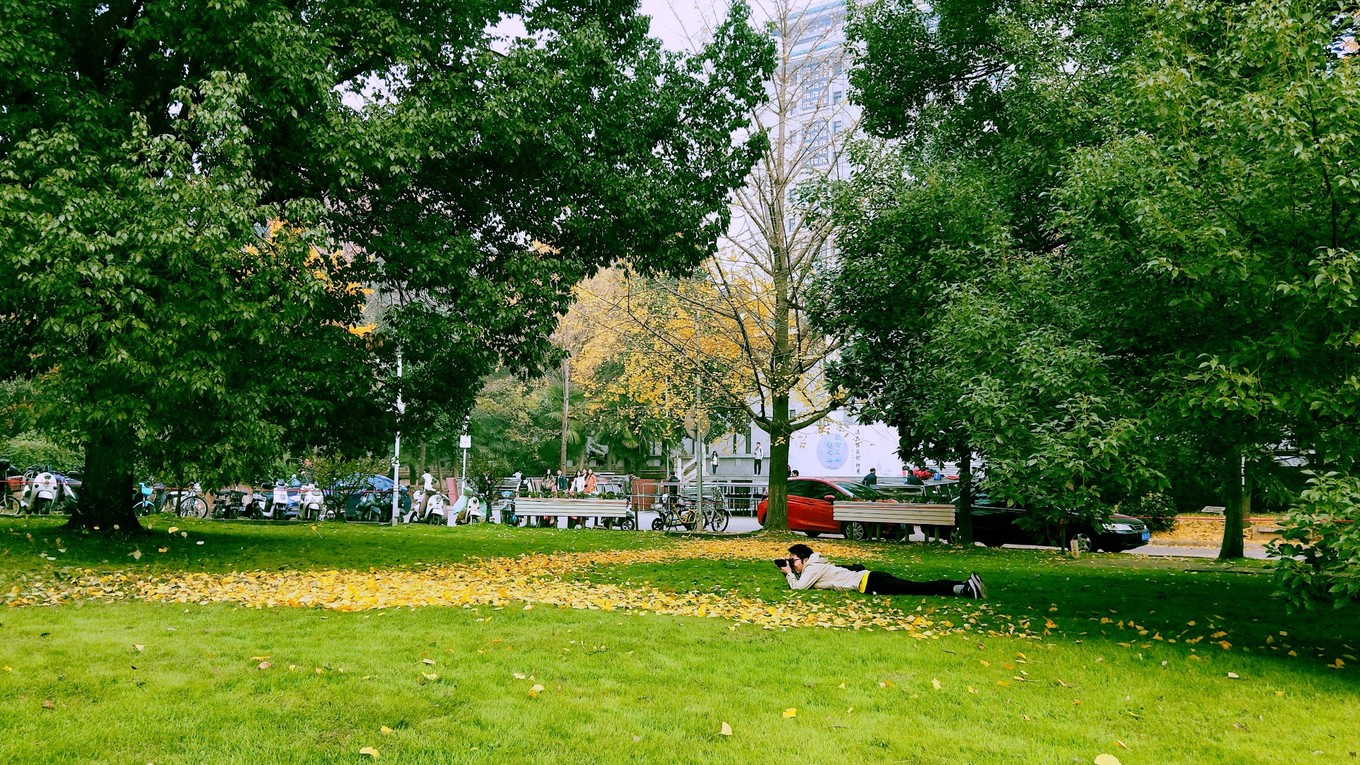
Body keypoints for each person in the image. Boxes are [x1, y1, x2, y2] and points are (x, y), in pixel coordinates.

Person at [777, 543, 986, 599]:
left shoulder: (812, 567)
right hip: (871, 578)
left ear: (805, 558)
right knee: (916, 586)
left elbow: (799, 588)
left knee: (918, 588)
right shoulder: (815, 565)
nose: (792, 564)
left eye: (793, 560)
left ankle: (963, 589)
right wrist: (792, 571)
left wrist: (788, 574)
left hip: (871, 582)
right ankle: (963, 586)